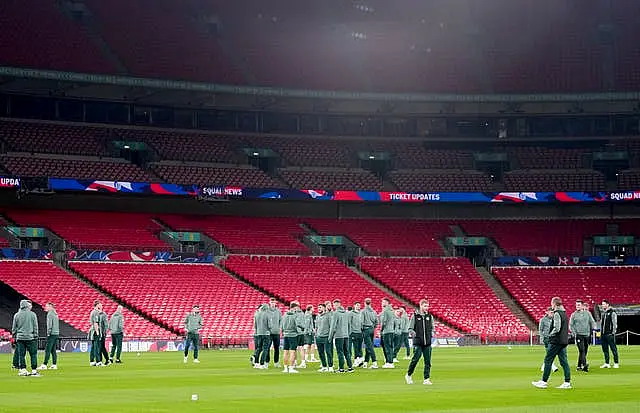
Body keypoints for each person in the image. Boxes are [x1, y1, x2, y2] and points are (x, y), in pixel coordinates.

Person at [532, 297, 572, 389]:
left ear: (554, 304)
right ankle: (567, 382)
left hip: (556, 341)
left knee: (548, 360)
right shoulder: (565, 314)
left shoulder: (557, 313)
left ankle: (543, 381)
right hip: (563, 341)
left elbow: (557, 328)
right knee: (564, 362)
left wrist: (550, 335)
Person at [405, 299, 435, 385]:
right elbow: (410, 328)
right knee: (415, 359)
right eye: (425, 306)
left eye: (427, 306)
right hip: (418, 342)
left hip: (428, 343)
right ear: (420, 306)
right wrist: (414, 334)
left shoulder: (430, 316)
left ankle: (426, 378)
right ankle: (409, 374)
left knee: (428, 361)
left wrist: (432, 333)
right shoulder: (415, 316)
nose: (427, 308)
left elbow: (433, 328)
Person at [12, 299, 39, 376]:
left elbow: (14, 328)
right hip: (30, 337)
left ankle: (23, 369)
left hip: (20, 338)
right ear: (27, 305)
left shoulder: (16, 315)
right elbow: (35, 326)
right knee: (33, 354)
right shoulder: (32, 314)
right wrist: (35, 335)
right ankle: (34, 370)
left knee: (21, 355)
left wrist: (14, 336)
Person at [329, 299, 353, 373]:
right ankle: (350, 367)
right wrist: (348, 333)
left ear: (336, 305)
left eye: (334, 305)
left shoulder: (336, 313)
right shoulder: (346, 313)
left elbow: (333, 326)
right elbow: (349, 325)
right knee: (347, 352)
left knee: (340, 352)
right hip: (346, 335)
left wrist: (330, 337)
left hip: (339, 335)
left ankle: (341, 368)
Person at [570, 299, 594, 372]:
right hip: (579, 335)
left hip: (587, 335)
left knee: (584, 351)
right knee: (582, 349)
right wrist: (574, 333)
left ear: (582, 306)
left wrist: (591, 331)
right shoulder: (573, 315)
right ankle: (584, 364)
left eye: (579, 305)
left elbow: (592, 322)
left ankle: (579, 366)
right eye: (576, 305)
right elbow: (571, 325)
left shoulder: (588, 313)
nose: (577, 306)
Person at [39, 302, 59, 370]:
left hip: (52, 334)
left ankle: (44, 364)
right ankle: (54, 364)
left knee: (48, 349)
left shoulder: (50, 314)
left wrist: (48, 332)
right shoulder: (56, 314)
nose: (46, 307)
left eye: (47, 306)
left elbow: (49, 325)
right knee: (53, 350)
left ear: (51, 307)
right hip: (56, 333)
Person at [281, 302, 301, 373]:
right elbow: (297, 325)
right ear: (294, 308)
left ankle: (285, 368)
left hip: (286, 335)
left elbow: (282, 326)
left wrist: (283, 332)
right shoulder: (295, 315)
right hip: (293, 335)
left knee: (285, 352)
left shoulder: (284, 315)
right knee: (293, 351)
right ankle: (291, 368)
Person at [599, 299, 619, 369]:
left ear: (607, 304)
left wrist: (613, 333)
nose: (602, 305)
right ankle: (607, 363)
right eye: (602, 304)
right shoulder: (603, 313)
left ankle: (616, 363)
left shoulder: (612, 312)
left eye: (604, 304)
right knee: (605, 350)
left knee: (613, 349)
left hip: (609, 334)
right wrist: (601, 333)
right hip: (603, 334)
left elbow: (614, 323)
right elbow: (601, 324)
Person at [538, 307, 558, 373]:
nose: (552, 314)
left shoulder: (555, 319)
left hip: (553, 338)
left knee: (550, 353)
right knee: (549, 353)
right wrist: (542, 338)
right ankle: (553, 367)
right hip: (546, 338)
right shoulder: (543, 320)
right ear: (547, 312)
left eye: (553, 312)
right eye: (551, 312)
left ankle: (544, 366)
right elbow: (540, 330)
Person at [315, 303, 334, 372]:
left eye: (320, 307)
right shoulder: (317, 316)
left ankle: (331, 366)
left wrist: (330, 336)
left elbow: (331, 327)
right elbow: (316, 327)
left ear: (324, 308)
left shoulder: (328, 316)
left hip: (326, 337)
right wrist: (316, 335)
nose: (319, 308)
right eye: (318, 307)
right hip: (318, 337)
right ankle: (324, 366)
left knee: (328, 352)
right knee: (320, 353)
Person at [361, 298, 378, 369]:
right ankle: (366, 362)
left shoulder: (363, 311)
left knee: (370, 346)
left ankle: (374, 362)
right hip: (372, 329)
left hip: (366, 329)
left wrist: (362, 329)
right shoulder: (374, 312)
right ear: (370, 303)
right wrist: (373, 327)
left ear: (364, 303)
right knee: (368, 346)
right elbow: (376, 321)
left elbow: (361, 322)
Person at [253, 304, 271, 369]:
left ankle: (256, 363)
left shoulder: (256, 314)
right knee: (265, 349)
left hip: (258, 333)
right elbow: (270, 325)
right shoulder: (267, 315)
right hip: (266, 334)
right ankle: (262, 363)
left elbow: (254, 325)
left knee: (259, 348)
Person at [266, 298, 282, 368]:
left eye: (274, 302)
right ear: (269, 303)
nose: (273, 304)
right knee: (267, 348)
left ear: (276, 303)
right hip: (268, 333)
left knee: (277, 348)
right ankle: (267, 362)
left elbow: (281, 320)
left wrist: (280, 328)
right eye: (271, 302)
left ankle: (276, 362)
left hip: (276, 332)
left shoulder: (278, 311)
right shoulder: (267, 311)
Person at [379, 297, 396, 368]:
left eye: (383, 302)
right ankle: (390, 361)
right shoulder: (392, 311)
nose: (382, 303)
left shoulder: (385, 311)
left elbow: (384, 322)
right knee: (390, 346)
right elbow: (395, 322)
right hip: (391, 331)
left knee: (386, 347)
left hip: (386, 331)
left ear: (386, 303)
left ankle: (389, 362)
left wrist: (381, 329)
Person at [350, 302, 364, 367]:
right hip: (354, 333)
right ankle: (356, 360)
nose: (358, 306)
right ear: (354, 306)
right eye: (357, 305)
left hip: (360, 332)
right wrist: (351, 332)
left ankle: (360, 360)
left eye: (359, 305)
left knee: (359, 347)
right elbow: (349, 323)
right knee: (355, 347)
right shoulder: (351, 313)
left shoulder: (361, 313)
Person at [293, 301, 307, 369]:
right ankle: (298, 362)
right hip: (300, 332)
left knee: (298, 348)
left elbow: (297, 323)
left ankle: (302, 362)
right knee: (298, 348)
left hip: (297, 333)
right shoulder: (301, 313)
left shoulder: (298, 314)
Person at [89, 300, 103, 367]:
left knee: (93, 347)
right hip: (95, 330)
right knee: (97, 347)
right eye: (100, 304)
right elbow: (95, 323)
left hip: (93, 330)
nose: (101, 306)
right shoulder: (95, 312)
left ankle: (92, 361)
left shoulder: (93, 312)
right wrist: (97, 332)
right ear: (97, 305)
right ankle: (98, 361)